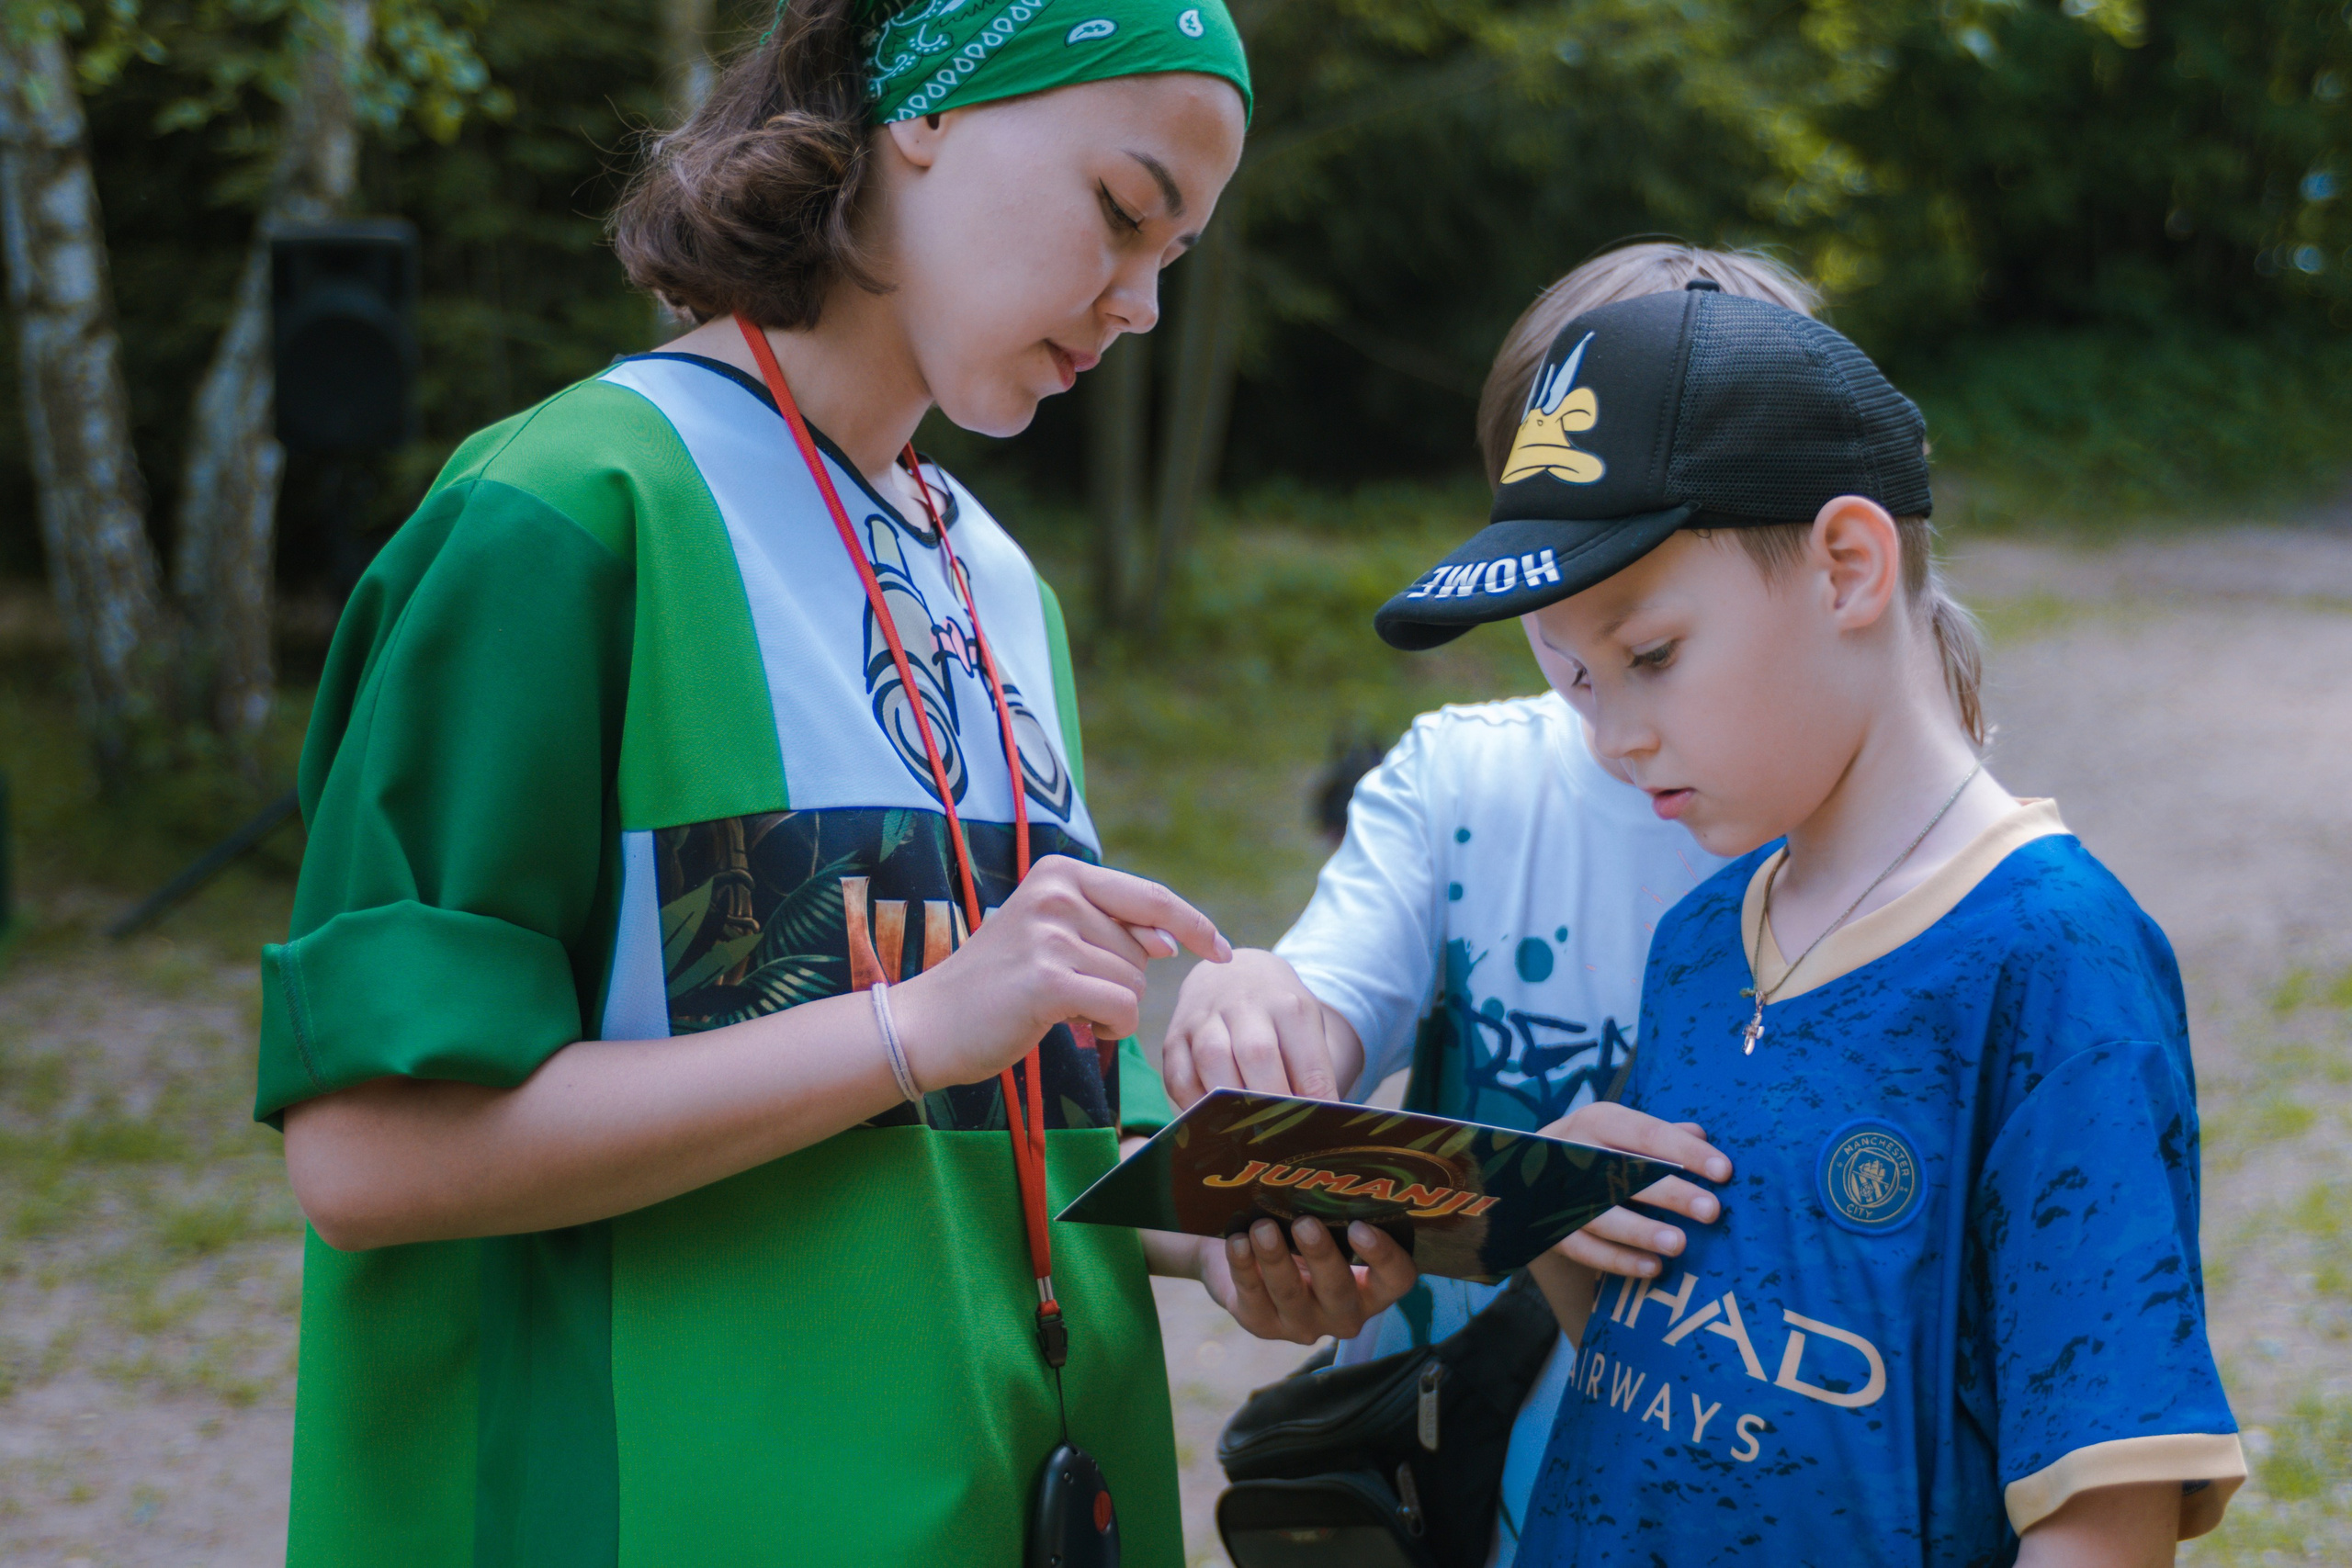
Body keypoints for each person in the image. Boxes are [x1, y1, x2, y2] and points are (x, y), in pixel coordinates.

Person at [252, 7, 1388, 1564]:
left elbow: (1011, 1093)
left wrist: (1243, 1217)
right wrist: (908, 1028)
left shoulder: (995, 582)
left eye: (1176, 254)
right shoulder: (561, 513)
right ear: (924, 110)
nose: (1139, 304)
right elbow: (370, 1154)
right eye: (1123, 213)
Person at [1370, 283, 2244, 1564]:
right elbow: (1660, 1378)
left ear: (1848, 565)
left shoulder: (2056, 960)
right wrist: (1563, 1223)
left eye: (1653, 655)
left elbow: (2106, 1514)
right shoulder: (1700, 940)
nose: (1614, 739)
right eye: (1574, 681)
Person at [1159, 244, 1815, 1564]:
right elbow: (1309, 1050)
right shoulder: (1463, 784)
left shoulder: (1895, 855)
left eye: (1651, 633)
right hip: (1459, 1495)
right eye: (1543, 576)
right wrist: (1259, 1014)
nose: (1592, 672)